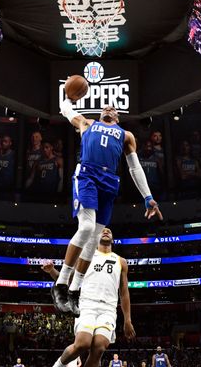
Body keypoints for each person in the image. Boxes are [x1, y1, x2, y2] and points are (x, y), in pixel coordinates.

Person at [54, 94, 162, 315]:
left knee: (94, 239)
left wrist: (147, 196)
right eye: (106, 106)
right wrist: (67, 95)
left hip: (110, 182)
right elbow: (65, 110)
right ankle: (60, 285)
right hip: (87, 176)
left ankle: (75, 291)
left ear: (118, 117)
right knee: (85, 228)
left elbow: (135, 167)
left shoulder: (126, 135)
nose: (109, 108)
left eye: (113, 108)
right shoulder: (87, 123)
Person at [42, 227, 135, 367]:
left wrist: (127, 320)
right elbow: (68, 282)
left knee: (99, 346)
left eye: (109, 230)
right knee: (83, 343)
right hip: (86, 304)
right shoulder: (86, 255)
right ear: (97, 236)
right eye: (103, 230)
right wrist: (53, 271)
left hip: (108, 308)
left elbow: (124, 293)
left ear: (113, 238)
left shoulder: (121, 261)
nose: (106, 231)